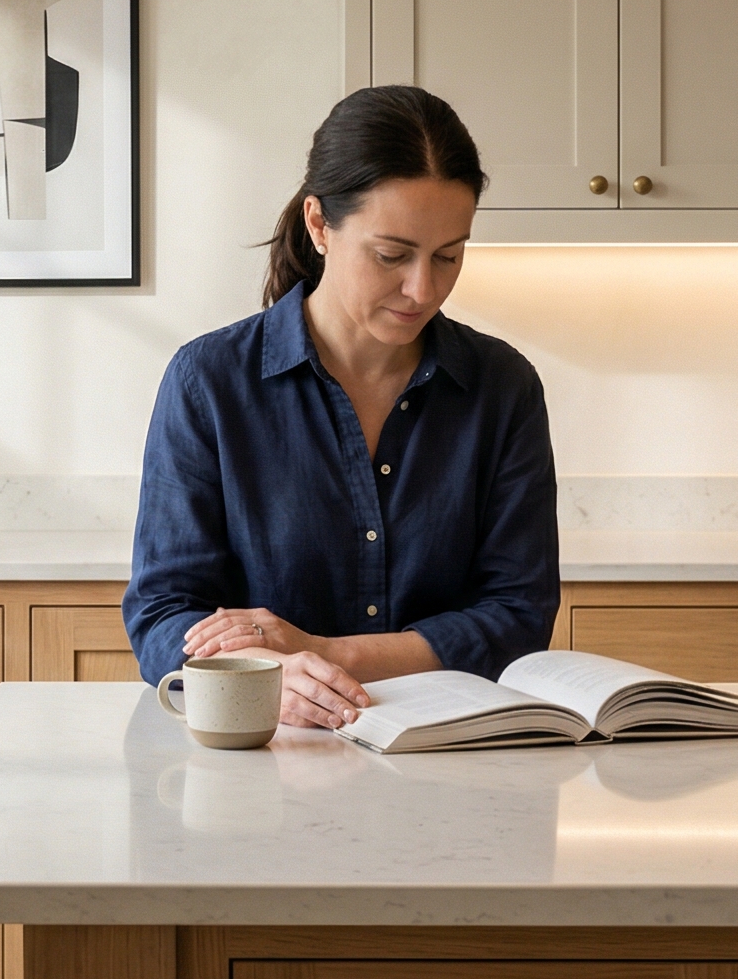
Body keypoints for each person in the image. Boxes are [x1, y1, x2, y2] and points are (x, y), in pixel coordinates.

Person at [124, 85, 559, 729]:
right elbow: (163, 614)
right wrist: (267, 678)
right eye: (391, 255)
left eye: (449, 256)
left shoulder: (502, 387)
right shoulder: (209, 381)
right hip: (264, 759)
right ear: (319, 224)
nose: (422, 289)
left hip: (457, 757)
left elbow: (517, 617)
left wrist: (325, 655)